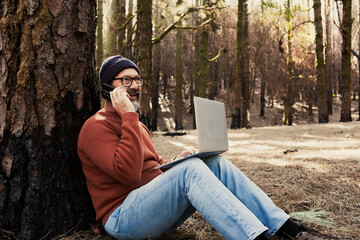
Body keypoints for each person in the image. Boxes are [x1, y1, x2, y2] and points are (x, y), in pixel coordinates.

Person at [77, 55, 337, 240]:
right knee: (189, 170)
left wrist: (173, 161)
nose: (134, 86)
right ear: (108, 88)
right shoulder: (96, 127)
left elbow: (150, 167)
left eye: (137, 79)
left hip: (150, 208)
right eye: (125, 81)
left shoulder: (137, 126)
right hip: (123, 218)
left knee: (213, 163)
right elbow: (129, 175)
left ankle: (283, 226)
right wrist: (129, 117)